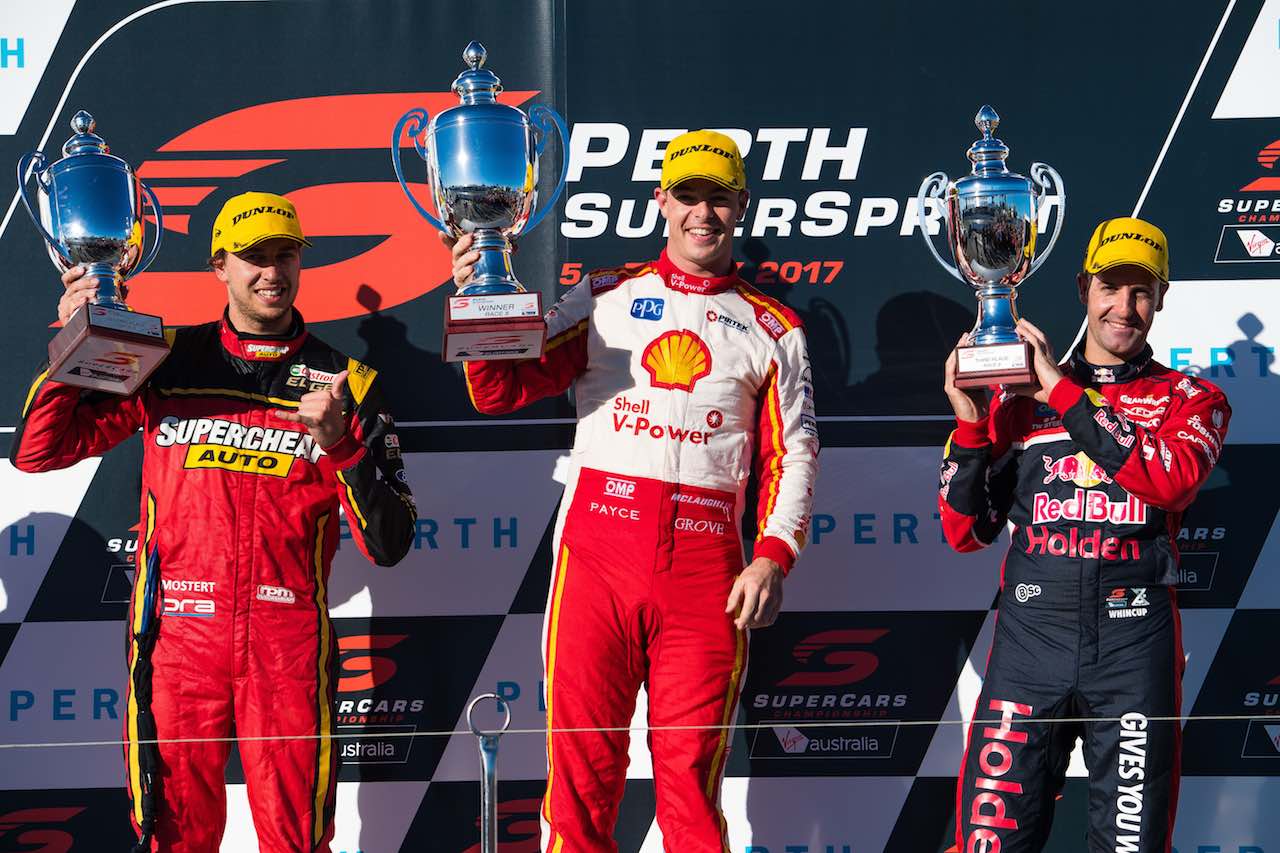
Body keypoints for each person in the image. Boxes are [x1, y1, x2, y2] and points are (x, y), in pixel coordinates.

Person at [445, 130, 818, 851]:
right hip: (597, 554)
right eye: (687, 196)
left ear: (741, 206)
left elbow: (792, 453)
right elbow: (500, 390)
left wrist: (773, 555)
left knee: (689, 783)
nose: (702, 213)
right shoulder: (603, 295)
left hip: (706, 570)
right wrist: (474, 295)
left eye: (718, 198)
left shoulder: (774, 327)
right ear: (661, 202)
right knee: (581, 776)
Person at [11, 191, 417, 853]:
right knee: (175, 835)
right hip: (177, 641)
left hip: (287, 646)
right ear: (219, 266)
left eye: (285, 255)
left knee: (297, 839)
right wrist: (72, 346)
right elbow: (39, 451)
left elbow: (391, 542)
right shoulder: (163, 358)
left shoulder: (348, 382)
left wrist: (341, 443)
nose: (272, 272)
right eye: (254, 256)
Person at [939, 217, 1230, 852]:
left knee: (1130, 845)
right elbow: (965, 532)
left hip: (1133, 645)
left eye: (1142, 291)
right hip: (1030, 644)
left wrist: (1062, 391)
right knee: (990, 841)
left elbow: (1171, 480)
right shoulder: (1019, 401)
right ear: (1082, 289)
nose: (1124, 307)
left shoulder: (1191, 398)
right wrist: (971, 426)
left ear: (1161, 299)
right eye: (1110, 287)